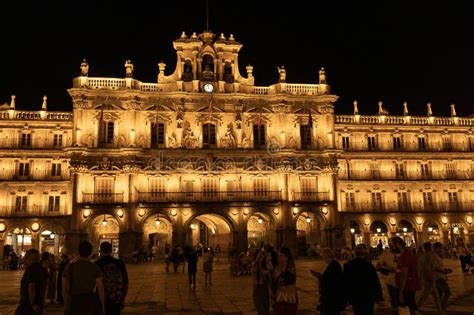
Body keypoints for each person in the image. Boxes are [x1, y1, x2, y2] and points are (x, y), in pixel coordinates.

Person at [62, 241, 105, 315]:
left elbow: (64, 289)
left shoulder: (69, 267)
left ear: (78, 251)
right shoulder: (95, 268)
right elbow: (100, 290)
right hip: (89, 302)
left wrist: (66, 303)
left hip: (74, 301)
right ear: (90, 252)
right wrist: (103, 307)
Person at [343, 244, 383, 315]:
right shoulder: (368, 265)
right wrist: (378, 295)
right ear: (363, 253)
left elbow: (345, 282)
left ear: (355, 253)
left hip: (355, 295)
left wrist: (345, 297)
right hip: (368, 295)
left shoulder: (348, 265)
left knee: (358, 312)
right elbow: (375, 280)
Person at [96, 242, 129, 315]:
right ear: (111, 250)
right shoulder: (119, 263)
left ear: (100, 250)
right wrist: (122, 299)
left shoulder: (97, 264)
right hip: (116, 298)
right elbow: (125, 282)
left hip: (102, 300)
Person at [312, 248, 345, 315]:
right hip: (331, 298)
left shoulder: (334, 265)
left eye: (323, 256)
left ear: (327, 256)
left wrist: (321, 277)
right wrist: (320, 276)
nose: (323, 258)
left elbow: (332, 280)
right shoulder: (332, 264)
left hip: (332, 299)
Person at [393, 236, 421, 315]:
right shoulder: (408, 254)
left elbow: (404, 274)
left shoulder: (404, 256)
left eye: (392, 245)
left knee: (410, 308)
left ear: (398, 245)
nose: (391, 247)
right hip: (410, 285)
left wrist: (401, 292)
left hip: (407, 286)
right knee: (412, 306)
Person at [15, 249, 48, 315]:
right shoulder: (41, 269)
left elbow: (32, 287)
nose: (24, 260)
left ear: (32, 258)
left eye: (26, 257)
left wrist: (32, 304)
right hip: (38, 303)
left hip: (28, 306)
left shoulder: (31, 270)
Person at [416, 242, 443, 314]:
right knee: (424, 296)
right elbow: (430, 268)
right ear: (430, 247)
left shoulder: (422, 256)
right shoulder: (429, 256)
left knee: (436, 297)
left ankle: (440, 312)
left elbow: (420, 268)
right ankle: (415, 309)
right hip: (429, 279)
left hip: (425, 278)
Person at [376, 238, 399, 315]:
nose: (392, 245)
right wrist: (389, 269)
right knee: (394, 300)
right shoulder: (385, 255)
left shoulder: (402, 253)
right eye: (391, 244)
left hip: (404, 279)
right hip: (391, 280)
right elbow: (378, 266)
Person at [272, 247, 298, 315]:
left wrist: (283, 271)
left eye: (281, 255)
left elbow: (291, 280)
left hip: (290, 295)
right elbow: (274, 281)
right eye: (279, 255)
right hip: (280, 295)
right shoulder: (277, 267)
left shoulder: (290, 267)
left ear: (286, 257)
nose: (279, 257)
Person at [433, 242, 452, 312]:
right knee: (447, 292)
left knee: (439, 294)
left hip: (440, 277)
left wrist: (445, 270)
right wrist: (444, 271)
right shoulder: (434, 257)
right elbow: (435, 268)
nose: (442, 249)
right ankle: (441, 307)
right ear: (436, 248)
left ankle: (439, 308)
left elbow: (439, 267)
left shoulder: (437, 256)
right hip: (438, 277)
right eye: (440, 248)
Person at [252, 246, 271, 315]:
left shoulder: (265, 266)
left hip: (265, 289)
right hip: (258, 289)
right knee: (260, 310)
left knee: (266, 309)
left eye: (263, 256)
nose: (262, 257)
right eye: (260, 256)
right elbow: (255, 263)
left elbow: (268, 276)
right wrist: (260, 252)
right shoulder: (255, 266)